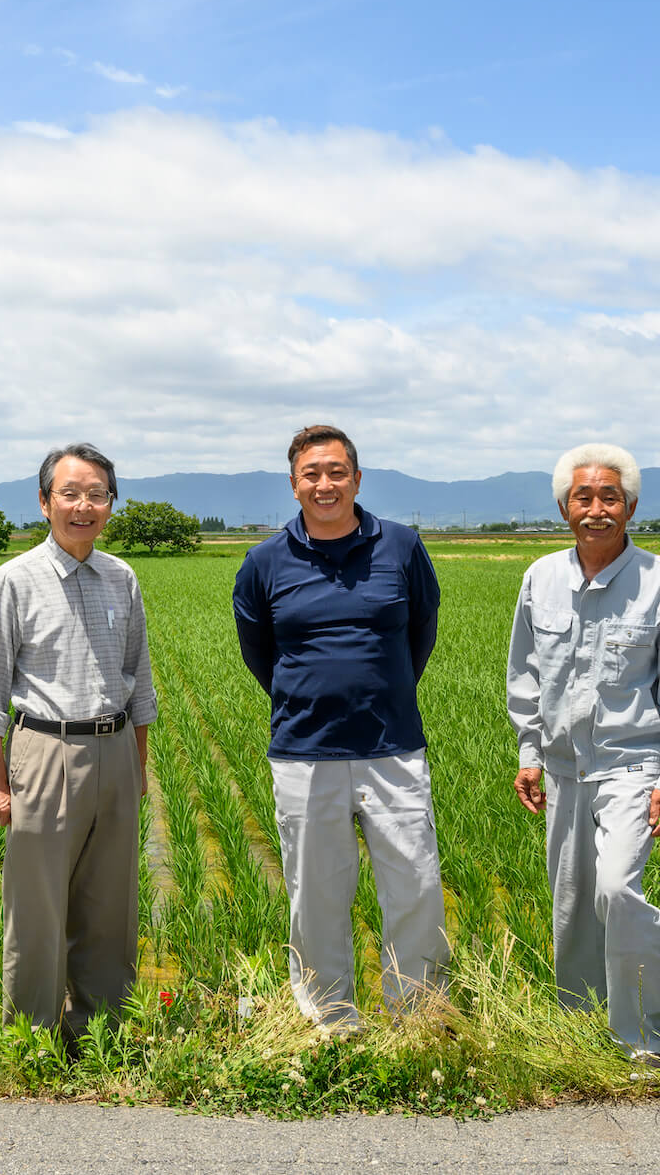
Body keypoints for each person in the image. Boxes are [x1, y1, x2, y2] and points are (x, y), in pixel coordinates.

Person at [231, 424, 448, 1027]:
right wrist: (308, 698)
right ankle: (330, 1020)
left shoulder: (402, 546)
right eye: (311, 474)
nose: (324, 484)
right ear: (293, 484)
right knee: (317, 895)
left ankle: (416, 1016)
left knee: (416, 885)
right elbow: (260, 651)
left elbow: (419, 633)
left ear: (356, 477)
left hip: (392, 747)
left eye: (336, 472)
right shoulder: (265, 561)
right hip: (304, 752)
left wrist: (384, 691)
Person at [505, 443, 660, 1064]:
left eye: (610, 497)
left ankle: (644, 1037)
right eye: (583, 497)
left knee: (618, 890)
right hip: (565, 768)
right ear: (564, 506)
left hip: (632, 764)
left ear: (632, 506)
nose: (597, 509)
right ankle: (580, 1027)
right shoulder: (540, 578)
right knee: (571, 905)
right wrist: (529, 752)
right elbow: (525, 674)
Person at [0, 442, 156, 1039]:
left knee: (111, 903)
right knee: (38, 907)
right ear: (45, 502)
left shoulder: (121, 578)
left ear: (110, 505)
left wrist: (138, 768)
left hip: (116, 747)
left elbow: (139, 680)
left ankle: (101, 1030)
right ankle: (31, 1035)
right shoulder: (13, 581)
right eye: (70, 494)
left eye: (97, 494)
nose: (84, 505)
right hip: (45, 752)